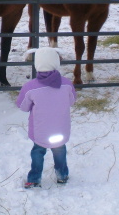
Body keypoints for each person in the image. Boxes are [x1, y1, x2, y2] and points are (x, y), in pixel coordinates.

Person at [16, 47, 77, 189]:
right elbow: (72, 101)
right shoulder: (67, 84)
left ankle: (34, 179)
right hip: (60, 131)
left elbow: (22, 106)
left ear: (37, 64)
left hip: (40, 131)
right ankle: (62, 175)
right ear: (56, 63)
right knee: (60, 151)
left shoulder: (30, 87)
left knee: (38, 153)